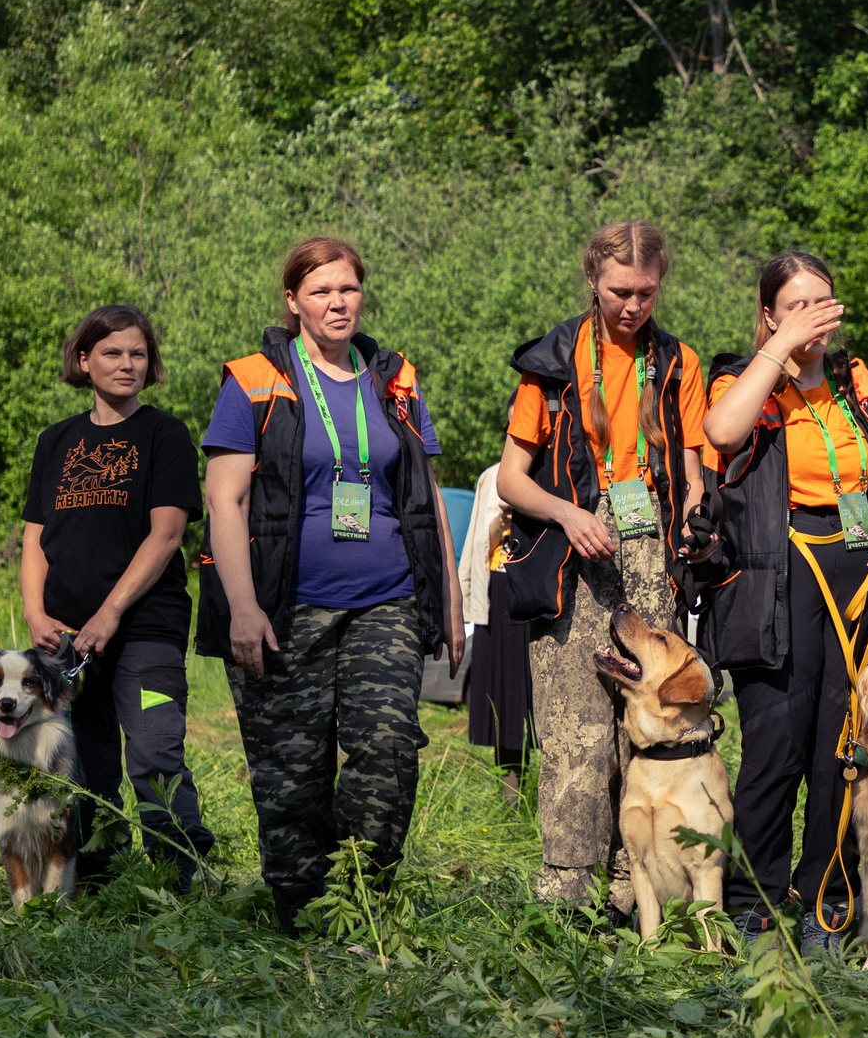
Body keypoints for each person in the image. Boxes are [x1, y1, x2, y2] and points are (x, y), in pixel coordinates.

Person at [202, 238, 462, 934]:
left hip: (389, 598)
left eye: (347, 288)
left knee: (388, 751)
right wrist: (245, 608)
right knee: (293, 773)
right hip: (287, 607)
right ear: (292, 302)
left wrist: (454, 601)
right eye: (320, 291)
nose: (337, 302)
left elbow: (425, 494)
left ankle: (361, 901)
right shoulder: (256, 380)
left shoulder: (395, 378)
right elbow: (222, 499)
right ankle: (301, 918)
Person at [702, 252, 868, 952]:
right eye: (797, 306)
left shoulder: (857, 384)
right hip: (776, 576)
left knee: (842, 750)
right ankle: (750, 903)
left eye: (823, 303)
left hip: (858, 574)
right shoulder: (747, 378)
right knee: (775, 749)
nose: (814, 319)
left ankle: (827, 899)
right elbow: (722, 432)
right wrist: (780, 349)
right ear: (768, 315)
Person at [499, 221, 709, 913]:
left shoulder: (679, 363)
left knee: (642, 732)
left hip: (651, 558)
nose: (633, 306)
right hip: (570, 556)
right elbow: (509, 480)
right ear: (592, 277)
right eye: (620, 290)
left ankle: (633, 894)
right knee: (575, 735)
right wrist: (565, 512)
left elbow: (691, 470)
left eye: (646, 293)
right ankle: (566, 898)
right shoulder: (553, 359)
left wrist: (696, 519)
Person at [20, 306, 216, 889]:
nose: (127, 364)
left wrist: (109, 613)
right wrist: (35, 612)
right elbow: (35, 537)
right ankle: (101, 879)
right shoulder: (56, 441)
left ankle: (181, 878)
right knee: (84, 761)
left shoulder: (165, 434)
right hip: (65, 638)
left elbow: (167, 534)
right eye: (112, 353)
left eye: (137, 353)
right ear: (84, 361)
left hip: (146, 631)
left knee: (155, 752)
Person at [460, 460, 534, 809]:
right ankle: (511, 800)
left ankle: (540, 794)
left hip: (535, 594)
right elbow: (477, 540)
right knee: (502, 704)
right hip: (498, 591)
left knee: (530, 701)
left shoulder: (551, 470)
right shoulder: (491, 475)